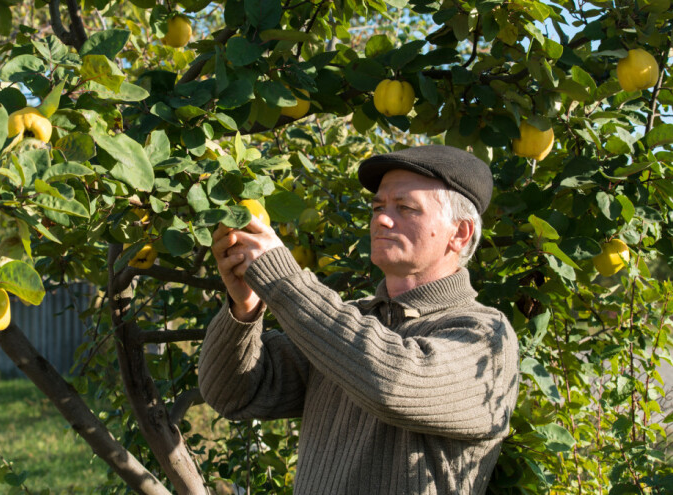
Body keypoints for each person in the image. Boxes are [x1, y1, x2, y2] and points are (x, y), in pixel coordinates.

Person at [198, 145, 519, 494]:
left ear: (460, 233)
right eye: (378, 207)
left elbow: (395, 383)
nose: (381, 218)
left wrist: (281, 279)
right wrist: (244, 308)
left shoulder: (487, 336)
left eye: (405, 207)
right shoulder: (351, 320)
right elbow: (232, 394)